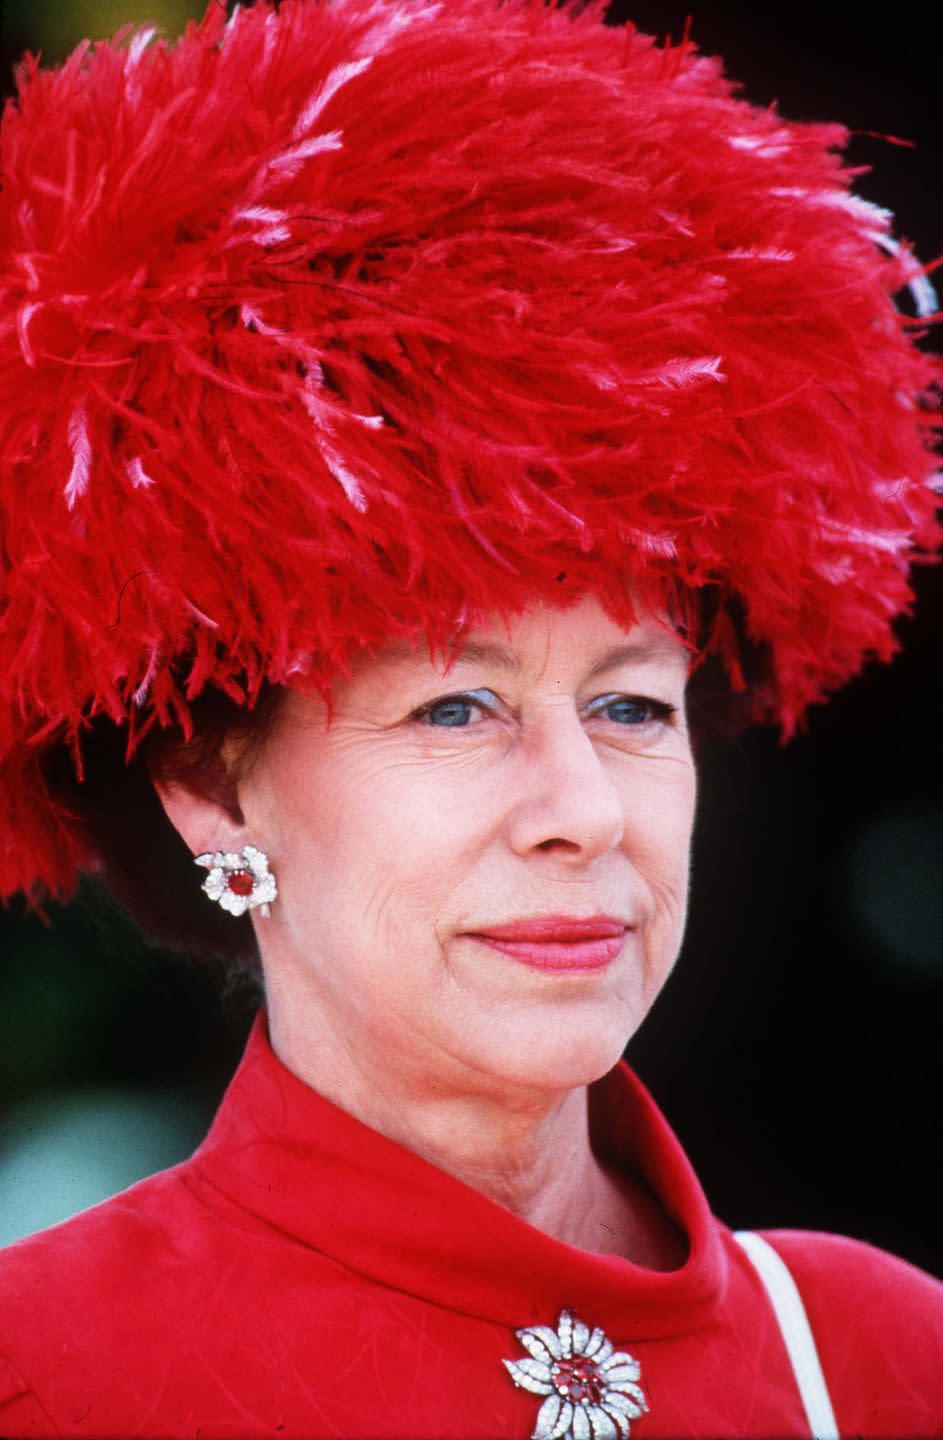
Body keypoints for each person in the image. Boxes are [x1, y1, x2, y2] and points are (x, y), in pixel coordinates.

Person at [0, 0, 940, 1436]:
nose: (584, 809)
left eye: (630, 704)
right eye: (456, 707)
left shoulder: (882, 1357)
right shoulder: (43, 1372)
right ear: (212, 789)